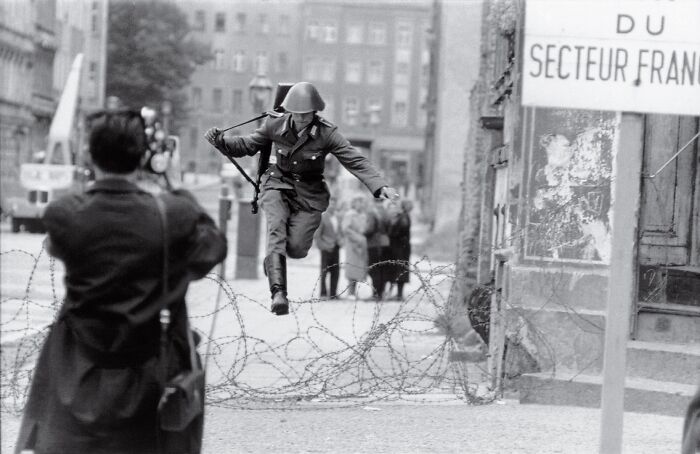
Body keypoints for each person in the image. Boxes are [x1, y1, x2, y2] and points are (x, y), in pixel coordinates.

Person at [15, 109, 228, 454]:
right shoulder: (172, 214)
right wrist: (174, 185)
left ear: (88, 154)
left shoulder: (65, 213)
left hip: (77, 369)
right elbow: (212, 248)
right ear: (145, 157)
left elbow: (57, 245)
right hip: (152, 369)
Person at [205, 81, 398, 315]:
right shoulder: (274, 124)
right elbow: (248, 145)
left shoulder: (327, 133)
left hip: (309, 194)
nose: (303, 119)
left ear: (315, 112)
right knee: (276, 228)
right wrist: (221, 141)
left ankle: (273, 261)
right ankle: (278, 293)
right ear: (290, 112)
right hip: (276, 184)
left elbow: (353, 159)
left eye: (307, 115)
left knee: (296, 248)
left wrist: (380, 186)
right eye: (298, 114)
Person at [313, 198, 342, 299]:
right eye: (331, 204)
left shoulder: (338, 217)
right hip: (326, 249)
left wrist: (340, 241)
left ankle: (334, 293)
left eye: (334, 204)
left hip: (336, 247)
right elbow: (317, 235)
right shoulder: (322, 217)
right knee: (324, 272)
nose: (333, 206)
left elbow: (339, 232)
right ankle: (323, 293)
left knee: (336, 272)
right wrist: (323, 246)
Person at [341, 195, 369, 299]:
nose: (361, 205)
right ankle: (350, 292)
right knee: (352, 266)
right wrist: (357, 237)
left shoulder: (362, 215)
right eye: (359, 202)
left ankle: (354, 291)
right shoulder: (350, 214)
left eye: (362, 202)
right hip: (352, 244)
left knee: (358, 267)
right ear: (354, 203)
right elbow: (346, 229)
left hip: (361, 244)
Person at [364, 197, 391, 301]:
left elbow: (369, 229)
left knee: (374, 269)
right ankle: (381, 293)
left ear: (374, 201)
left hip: (374, 243)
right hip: (385, 242)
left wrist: (363, 233)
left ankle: (375, 294)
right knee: (382, 268)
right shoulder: (386, 212)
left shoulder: (372, 212)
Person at [387, 200, 413, 301]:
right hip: (401, 247)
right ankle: (398, 294)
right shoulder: (404, 216)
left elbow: (398, 230)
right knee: (400, 269)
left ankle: (398, 294)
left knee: (399, 269)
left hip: (400, 246)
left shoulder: (402, 217)